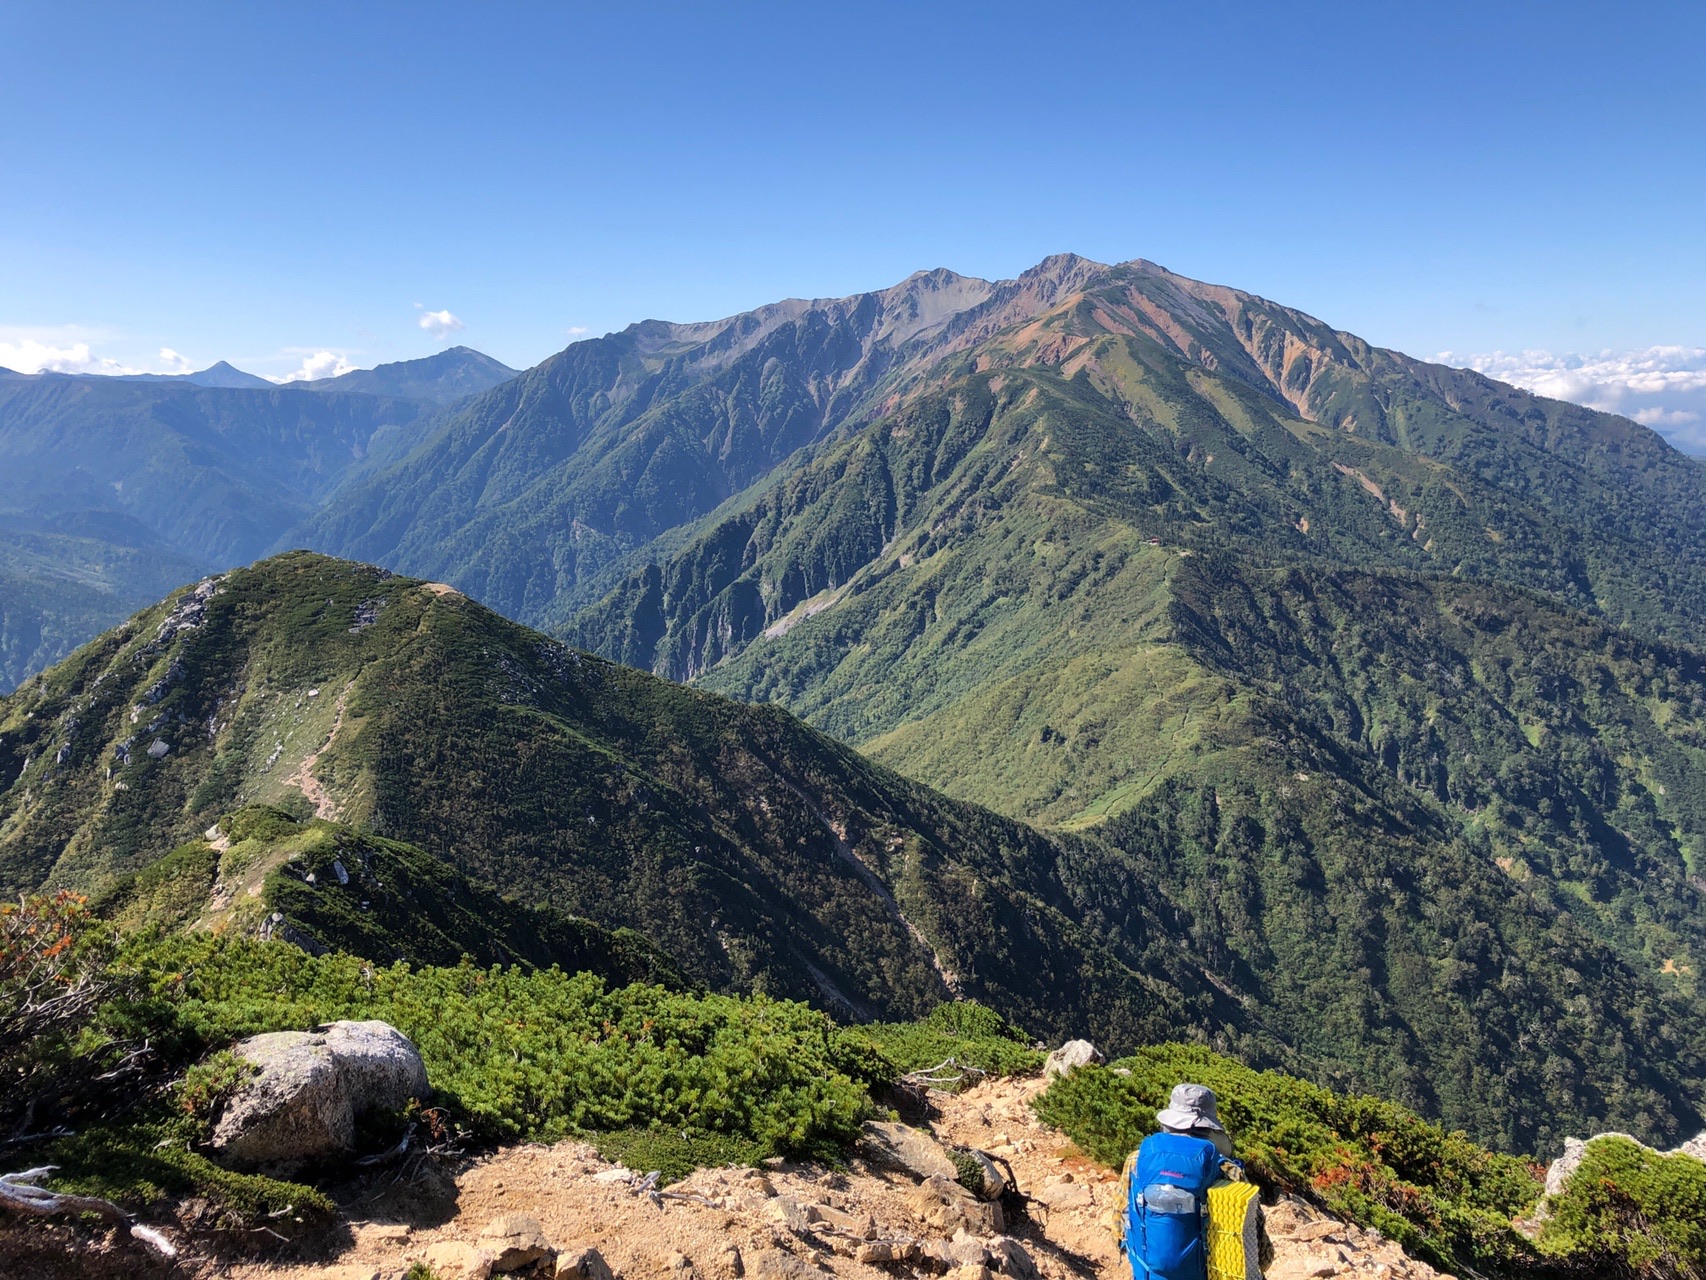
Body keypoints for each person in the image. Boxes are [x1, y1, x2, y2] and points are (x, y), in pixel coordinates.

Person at [1116, 1083, 1266, 1280]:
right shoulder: (1227, 1171)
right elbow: (1257, 1245)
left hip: (1149, 1272)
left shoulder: (1137, 1160)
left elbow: (1119, 1224)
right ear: (1208, 1125)